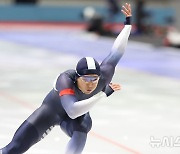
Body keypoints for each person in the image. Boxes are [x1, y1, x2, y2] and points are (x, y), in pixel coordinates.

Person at [0, 3, 132, 154]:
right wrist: (103, 94)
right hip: (50, 113)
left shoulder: (104, 75)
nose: (91, 84)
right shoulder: (65, 79)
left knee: (83, 128)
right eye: (86, 80)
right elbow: (72, 111)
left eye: (94, 80)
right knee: (12, 150)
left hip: (76, 119)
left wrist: (127, 25)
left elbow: (116, 52)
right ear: (77, 77)